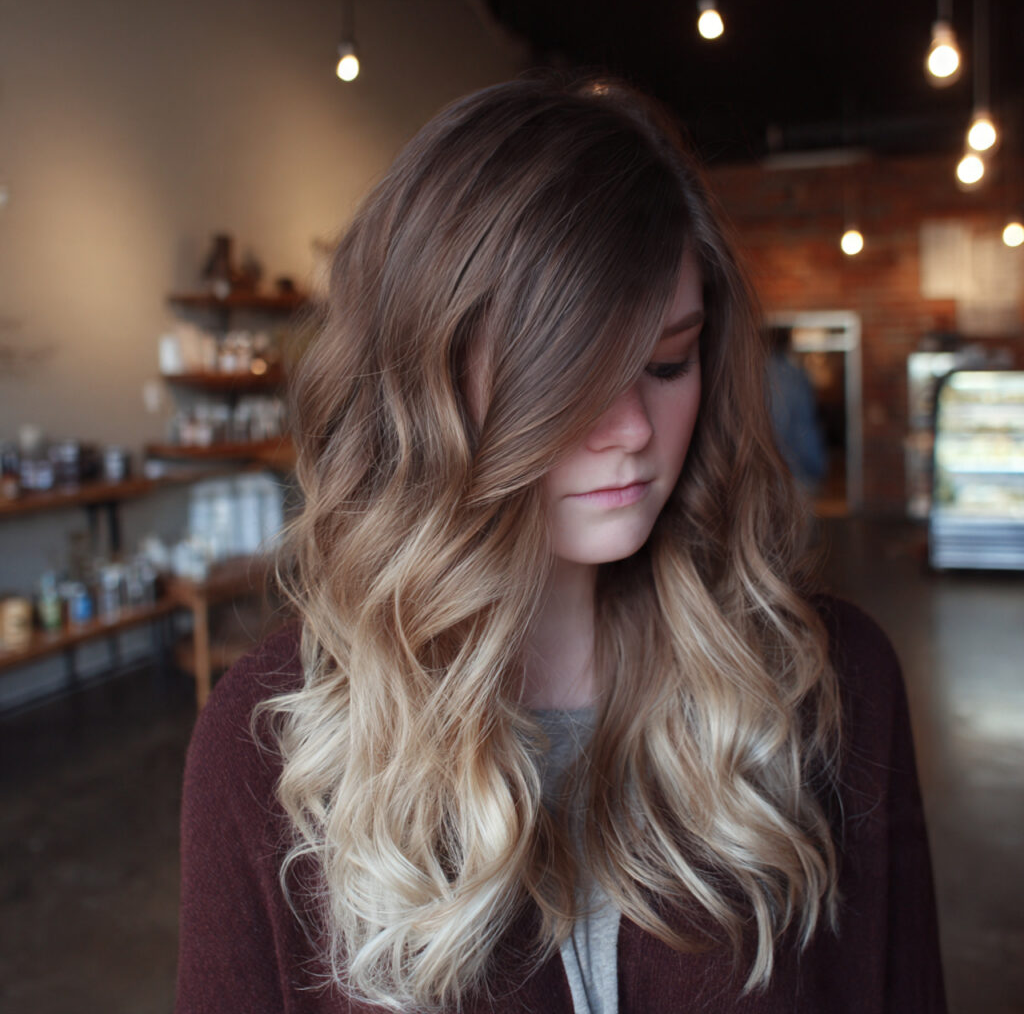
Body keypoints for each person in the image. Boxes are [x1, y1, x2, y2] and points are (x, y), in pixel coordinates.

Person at [176, 76, 946, 1013]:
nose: (628, 426)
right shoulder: (269, 746)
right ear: (427, 385)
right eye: (569, 375)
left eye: (667, 363)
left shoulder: (833, 689)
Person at [766, 326, 828, 494]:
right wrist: (817, 467)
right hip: (794, 471)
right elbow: (805, 425)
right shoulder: (794, 377)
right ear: (788, 344)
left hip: (758, 474)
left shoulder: (750, 376)